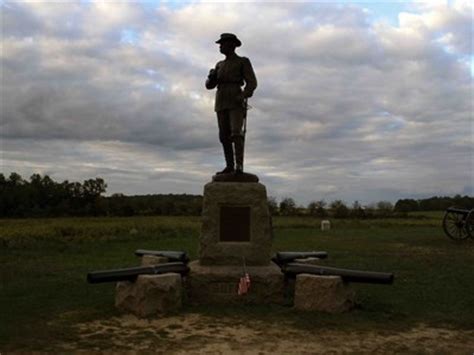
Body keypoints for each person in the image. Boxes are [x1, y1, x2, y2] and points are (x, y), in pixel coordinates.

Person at [206, 33, 257, 175]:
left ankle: (239, 166)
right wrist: (210, 77)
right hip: (221, 99)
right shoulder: (219, 65)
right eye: (220, 44)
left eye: (223, 44)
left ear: (233, 45)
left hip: (235, 98)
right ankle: (230, 166)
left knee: (236, 133)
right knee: (224, 136)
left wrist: (243, 95)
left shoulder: (243, 61)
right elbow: (209, 86)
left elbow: (252, 82)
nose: (221, 46)